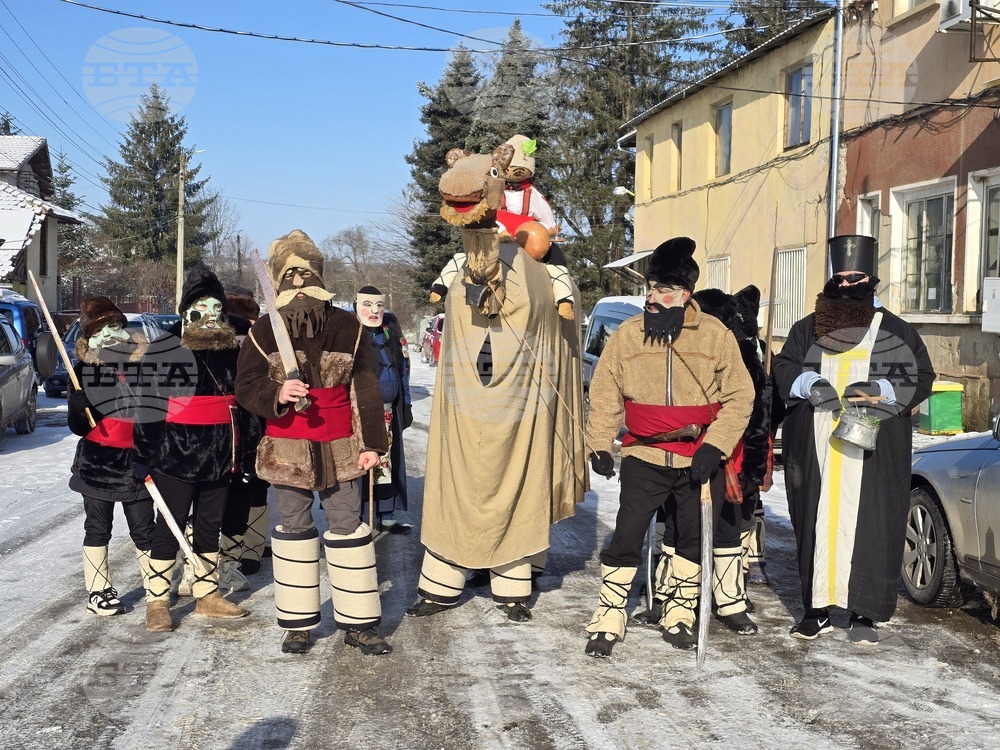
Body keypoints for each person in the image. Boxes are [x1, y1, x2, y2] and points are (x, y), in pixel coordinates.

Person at [583, 237, 754, 657]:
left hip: (698, 457)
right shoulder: (626, 335)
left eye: (663, 290)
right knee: (626, 533)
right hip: (643, 453)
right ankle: (610, 615)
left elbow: (740, 396)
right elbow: (605, 392)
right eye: (650, 288)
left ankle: (680, 612)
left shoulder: (715, 336)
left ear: (685, 295)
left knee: (691, 537)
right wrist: (599, 443)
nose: (653, 298)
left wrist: (715, 446)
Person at [235, 230, 392, 656]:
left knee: (348, 529)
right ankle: (299, 622)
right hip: (287, 450)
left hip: (342, 446)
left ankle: (359, 623)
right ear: (279, 282)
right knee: (293, 530)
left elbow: (366, 388)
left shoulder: (349, 328)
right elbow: (245, 385)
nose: (299, 283)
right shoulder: (263, 332)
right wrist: (275, 396)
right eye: (290, 275)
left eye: (306, 273)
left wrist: (373, 443)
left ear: (319, 277)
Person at [773, 235, 935, 645]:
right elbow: (784, 367)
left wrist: (882, 387)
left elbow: (922, 378)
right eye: (840, 278)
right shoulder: (808, 328)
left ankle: (865, 612)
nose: (847, 286)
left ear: (871, 280)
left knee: (873, 526)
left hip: (873, 451)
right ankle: (817, 610)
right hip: (817, 447)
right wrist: (809, 383)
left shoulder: (895, 330)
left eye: (856, 278)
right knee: (815, 524)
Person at [632, 285, 769, 634]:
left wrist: (752, 467)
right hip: (679, 456)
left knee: (725, 529)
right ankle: (669, 598)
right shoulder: (672, 348)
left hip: (726, 458)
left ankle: (730, 602)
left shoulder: (739, 354)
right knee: (677, 528)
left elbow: (756, 414)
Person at [132, 263, 252, 632]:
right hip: (175, 454)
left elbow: (244, 402)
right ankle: (157, 602)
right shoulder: (164, 348)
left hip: (219, 453)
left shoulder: (233, 349)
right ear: (187, 311)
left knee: (209, 525)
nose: (210, 316)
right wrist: (144, 455)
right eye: (202, 308)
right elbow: (147, 406)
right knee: (168, 526)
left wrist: (245, 448)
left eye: (217, 308)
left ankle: (207, 594)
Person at [67, 296, 153, 617]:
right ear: (91, 338)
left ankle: (154, 583)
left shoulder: (142, 366)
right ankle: (98, 591)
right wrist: (77, 407)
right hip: (98, 465)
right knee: (98, 528)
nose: (112, 334)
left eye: (115, 326)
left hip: (136, 462)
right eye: (103, 330)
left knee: (145, 529)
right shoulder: (83, 372)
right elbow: (77, 426)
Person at [429, 134, 575, 320]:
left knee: (556, 261)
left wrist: (541, 233)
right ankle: (441, 285)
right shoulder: (495, 188)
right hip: (497, 237)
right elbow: (485, 212)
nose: (514, 173)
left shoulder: (534, 195)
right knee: (466, 255)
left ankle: (564, 298)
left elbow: (548, 221)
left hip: (528, 241)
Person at [354, 286, 413, 535]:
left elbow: (402, 371)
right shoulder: (352, 336)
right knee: (362, 463)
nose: (374, 311)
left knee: (387, 464)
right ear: (358, 306)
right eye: (367, 305)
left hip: (390, 411)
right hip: (360, 412)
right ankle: (356, 515)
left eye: (379, 306)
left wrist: (406, 403)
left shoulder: (390, 334)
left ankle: (386, 514)